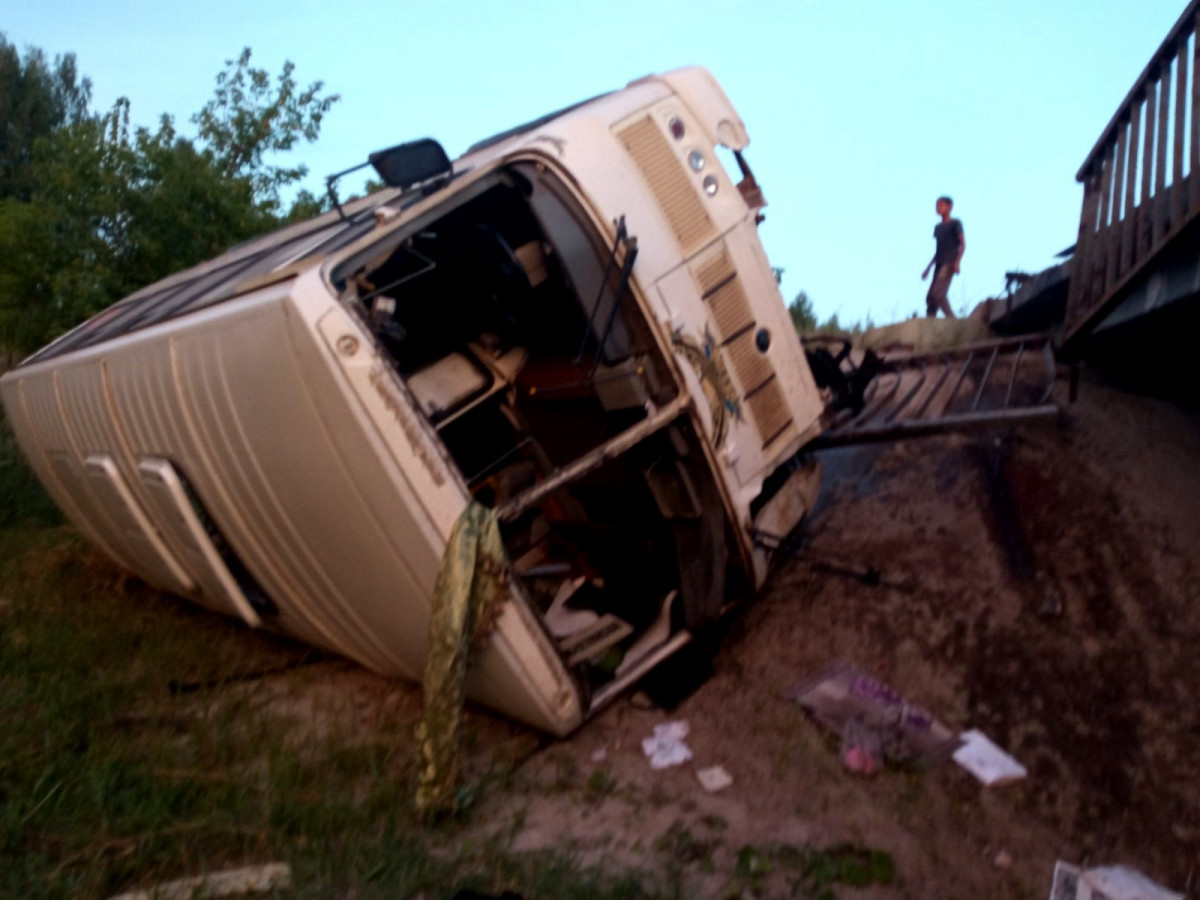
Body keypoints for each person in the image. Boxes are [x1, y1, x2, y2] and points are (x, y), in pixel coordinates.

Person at [921, 196, 965, 318]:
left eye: (941, 205)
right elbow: (938, 250)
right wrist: (928, 268)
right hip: (939, 263)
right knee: (930, 297)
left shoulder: (955, 223)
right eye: (937, 206)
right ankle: (930, 321)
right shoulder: (938, 227)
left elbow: (962, 244)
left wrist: (957, 262)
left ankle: (952, 320)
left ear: (949, 207)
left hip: (949, 262)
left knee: (938, 294)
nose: (938, 208)